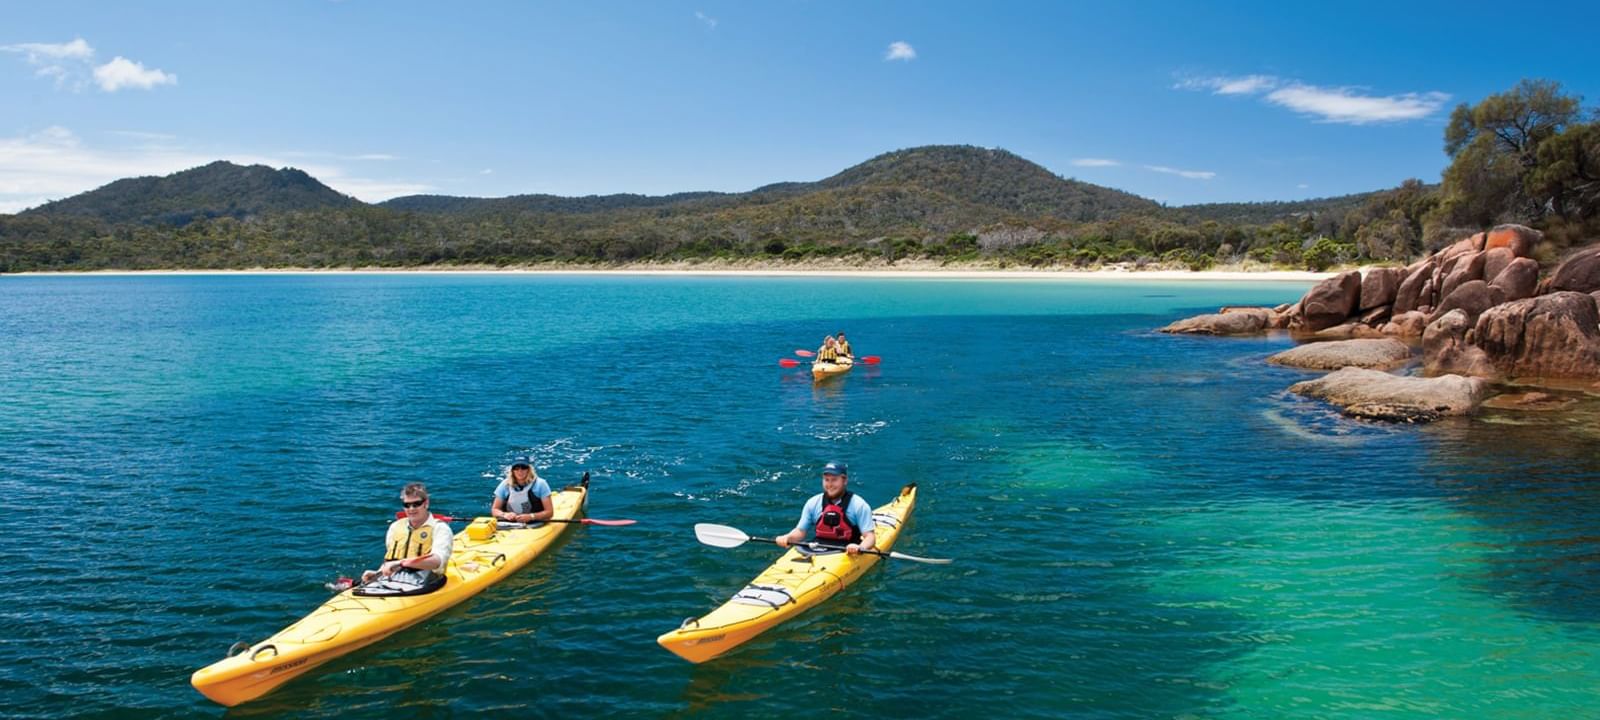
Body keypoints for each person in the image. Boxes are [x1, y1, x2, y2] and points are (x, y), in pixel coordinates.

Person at [776, 461, 876, 556]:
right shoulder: (813, 503)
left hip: (848, 551)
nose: (829, 485)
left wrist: (860, 547)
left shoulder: (859, 505)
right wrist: (788, 537)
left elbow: (870, 537)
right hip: (818, 548)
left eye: (834, 480)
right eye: (826, 480)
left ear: (844, 480)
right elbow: (800, 531)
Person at [363, 483, 453, 585]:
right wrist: (378, 573)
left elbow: (436, 561)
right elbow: (390, 559)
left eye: (416, 504)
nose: (411, 509)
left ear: (426, 503)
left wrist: (401, 563)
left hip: (426, 582)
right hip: (394, 579)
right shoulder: (395, 527)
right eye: (407, 505)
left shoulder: (440, 529)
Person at [491, 458, 553, 523]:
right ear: (512, 470)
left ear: (529, 469)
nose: (520, 471)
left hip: (535, 523)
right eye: (516, 468)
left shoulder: (541, 484)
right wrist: (504, 515)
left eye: (523, 468)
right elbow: (495, 510)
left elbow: (549, 512)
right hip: (510, 523)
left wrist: (531, 516)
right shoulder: (505, 485)